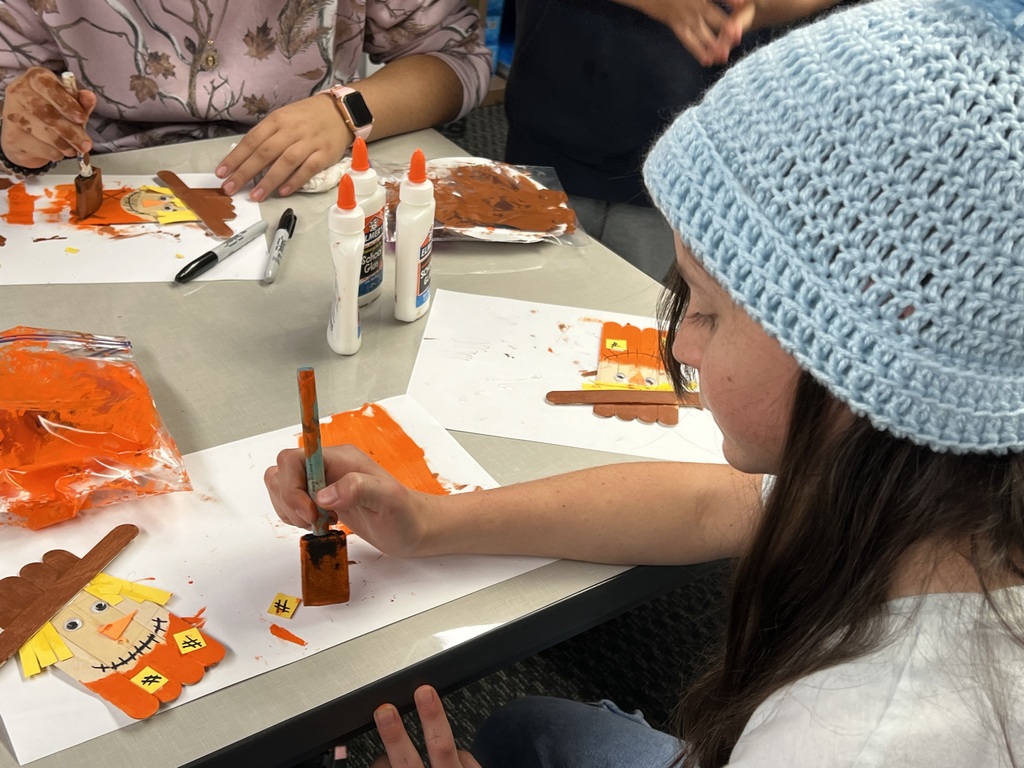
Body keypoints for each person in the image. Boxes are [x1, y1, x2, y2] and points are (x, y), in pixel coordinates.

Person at [265, 0, 1024, 764]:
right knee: (519, 729)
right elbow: (716, 504)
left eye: (708, 309)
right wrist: (429, 522)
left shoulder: (859, 738)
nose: (684, 345)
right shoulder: (924, 479)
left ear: (859, 356)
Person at [0, 0, 490, 202]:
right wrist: (18, 132)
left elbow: (454, 60)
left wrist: (347, 110)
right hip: (99, 183)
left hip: (311, 177)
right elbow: (11, 80)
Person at [502, 0, 846, 281]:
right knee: (517, 304)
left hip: (693, 159)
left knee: (641, 334)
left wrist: (758, 8)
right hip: (553, 131)